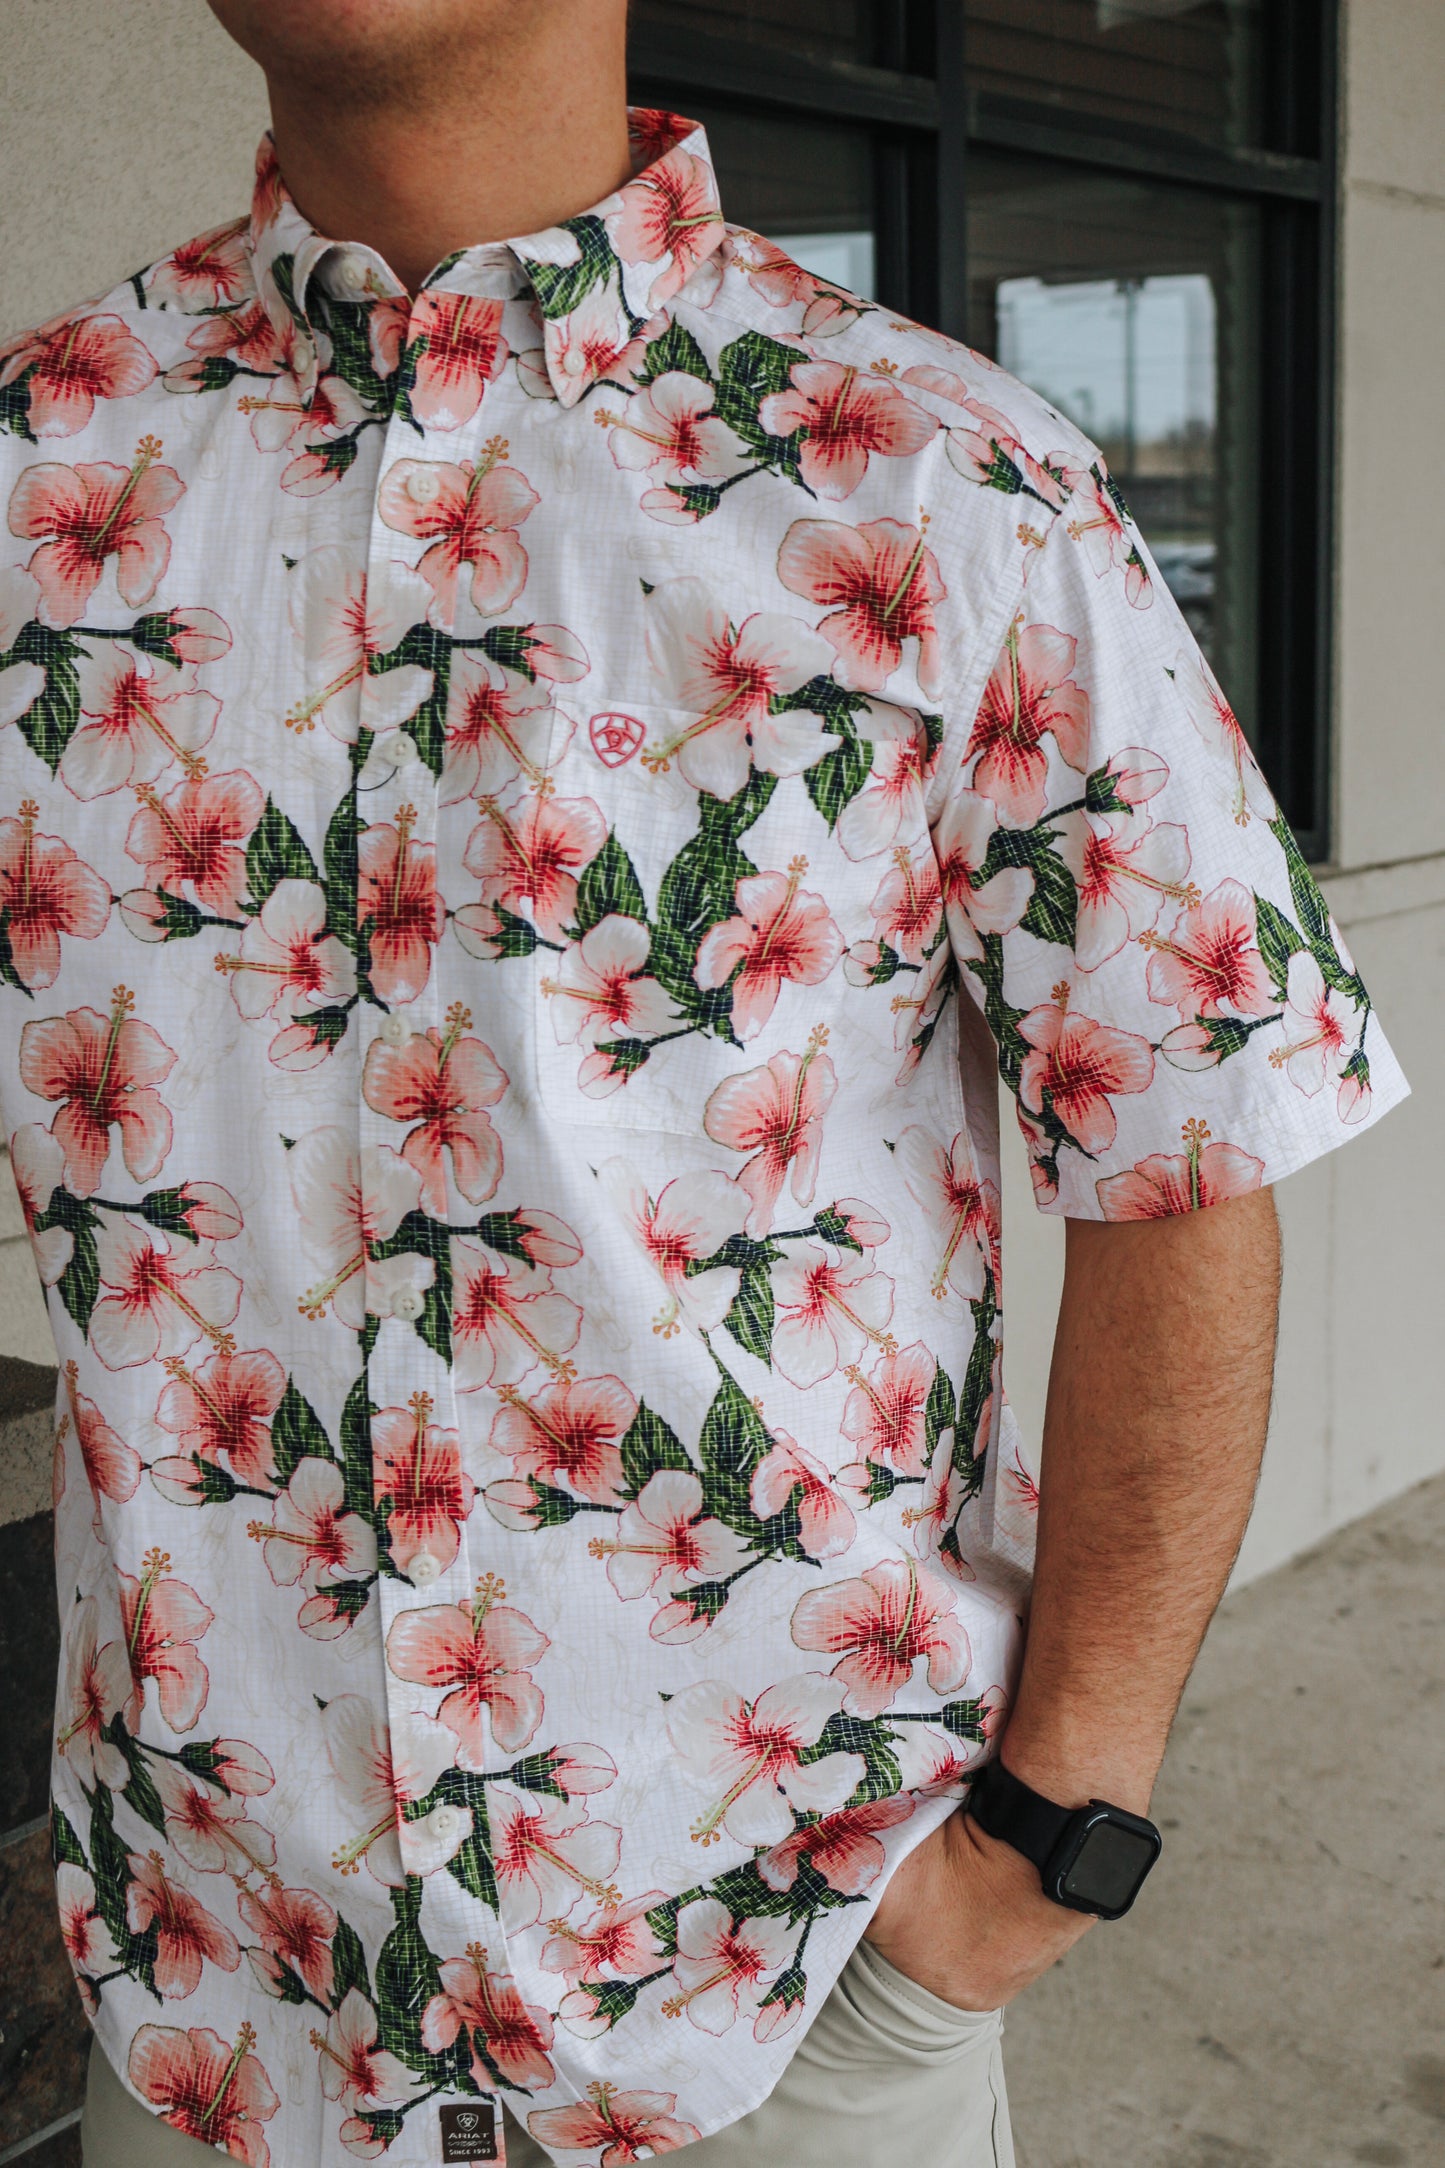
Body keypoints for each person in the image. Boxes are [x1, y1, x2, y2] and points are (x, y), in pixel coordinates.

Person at [0, 3, 1407, 2164]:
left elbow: (1188, 1155)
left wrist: (1045, 1843)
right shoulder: (34, 491)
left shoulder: (944, 487)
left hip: (794, 2007)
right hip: (212, 2021)